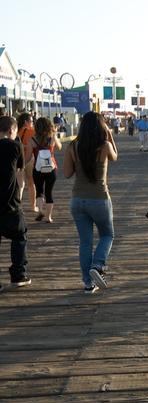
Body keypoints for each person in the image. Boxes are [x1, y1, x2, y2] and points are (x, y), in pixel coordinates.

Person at [62, 112, 118, 294]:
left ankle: (88, 283)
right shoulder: (105, 145)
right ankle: (98, 264)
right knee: (107, 235)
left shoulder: (73, 146)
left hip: (77, 201)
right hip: (99, 199)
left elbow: (67, 173)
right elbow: (115, 157)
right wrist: (109, 136)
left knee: (85, 242)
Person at [0, 116, 31, 292]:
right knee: (19, 236)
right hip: (10, 202)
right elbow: (20, 168)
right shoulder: (14, 146)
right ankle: (18, 275)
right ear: (12, 130)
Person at [27, 117, 62, 223]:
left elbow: (28, 157)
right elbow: (60, 147)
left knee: (39, 191)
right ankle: (48, 217)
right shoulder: (52, 138)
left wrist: (22, 165)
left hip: (37, 169)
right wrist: (55, 135)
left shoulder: (31, 140)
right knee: (49, 193)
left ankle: (41, 210)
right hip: (51, 168)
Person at [16, 113, 37, 212]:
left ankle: (17, 205)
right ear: (26, 122)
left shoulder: (16, 131)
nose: (32, 123)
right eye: (31, 121)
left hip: (18, 159)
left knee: (20, 184)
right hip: (30, 159)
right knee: (31, 184)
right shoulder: (32, 131)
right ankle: (33, 206)